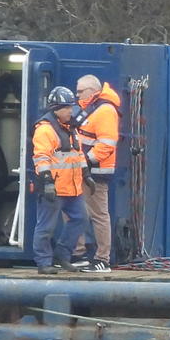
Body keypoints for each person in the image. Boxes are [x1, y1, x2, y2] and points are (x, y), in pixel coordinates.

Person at [30, 87, 89, 275]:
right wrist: (47, 181)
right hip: (53, 188)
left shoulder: (70, 128)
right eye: (67, 108)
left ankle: (62, 255)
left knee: (81, 219)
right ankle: (43, 262)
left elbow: (77, 153)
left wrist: (86, 173)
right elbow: (41, 157)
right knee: (46, 227)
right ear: (56, 109)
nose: (71, 111)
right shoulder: (45, 130)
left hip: (72, 188)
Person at [70, 74, 120, 271]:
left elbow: (107, 143)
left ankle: (102, 259)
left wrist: (87, 162)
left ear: (92, 91)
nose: (77, 95)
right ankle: (78, 254)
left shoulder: (105, 110)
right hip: (83, 170)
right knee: (76, 212)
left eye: (80, 91)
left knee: (99, 215)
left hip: (96, 172)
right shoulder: (91, 109)